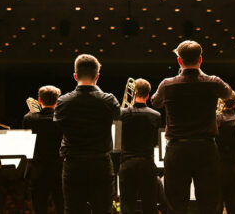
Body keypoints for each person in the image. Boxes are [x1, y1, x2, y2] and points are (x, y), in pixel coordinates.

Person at [151, 40, 232, 214]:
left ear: (179, 61)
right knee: (209, 202)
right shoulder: (213, 82)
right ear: (200, 59)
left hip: (177, 149)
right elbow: (229, 94)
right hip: (206, 148)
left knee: (176, 202)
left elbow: (155, 102)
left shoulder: (167, 84)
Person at [54, 54, 120, 214]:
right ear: (97, 76)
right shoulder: (108, 100)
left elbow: (59, 126)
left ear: (75, 76)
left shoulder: (63, 101)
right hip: (101, 164)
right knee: (103, 210)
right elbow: (117, 115)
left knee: (73, 210)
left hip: (73, 164)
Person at [119, 78, 161, 214]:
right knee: (150, 205)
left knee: (126, 206)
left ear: (134, 93)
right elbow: (155, 142)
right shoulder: (156, 115)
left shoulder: (123, 114)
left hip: (127, 163)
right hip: (147, 163)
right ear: (148, 95)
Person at [22, 86, 64, 214]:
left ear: (39, 100)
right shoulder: (63, 118)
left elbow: (27, 142)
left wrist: (33, 113)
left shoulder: (29, 118)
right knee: (62, 208)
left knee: (39, 209)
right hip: (59, 171)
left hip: (38, 171)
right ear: (57, 101)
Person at [215, 91, 235, 214]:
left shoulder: (214, 121)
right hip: (234, 167)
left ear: (220, 102)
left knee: (216, 207)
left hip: (216, 168)